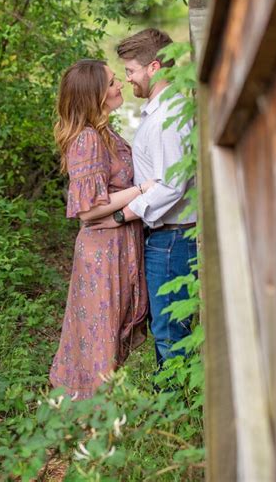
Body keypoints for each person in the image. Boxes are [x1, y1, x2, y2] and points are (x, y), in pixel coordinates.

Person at [92, 29, 197, 369]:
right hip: (164, 239)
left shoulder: (168, 118)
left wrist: (121, 215)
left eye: (131, 71)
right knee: (165, 328)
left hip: (173, 240)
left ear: (154, 67)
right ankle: (172, 392)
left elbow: (171, 185)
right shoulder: (158, 111)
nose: (128, 79)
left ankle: (173, 397)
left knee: (169, 332)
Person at [49, 59, 153, 399]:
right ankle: (90, 416)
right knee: (100, 337)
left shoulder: (105, 134)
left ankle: (99, 413)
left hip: (118, 243)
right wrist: (143, 189)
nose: (120, 85)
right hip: (102, 251)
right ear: (94, 94)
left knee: (110, 332)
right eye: (111, 83)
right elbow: (90, 208)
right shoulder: (87, 139)